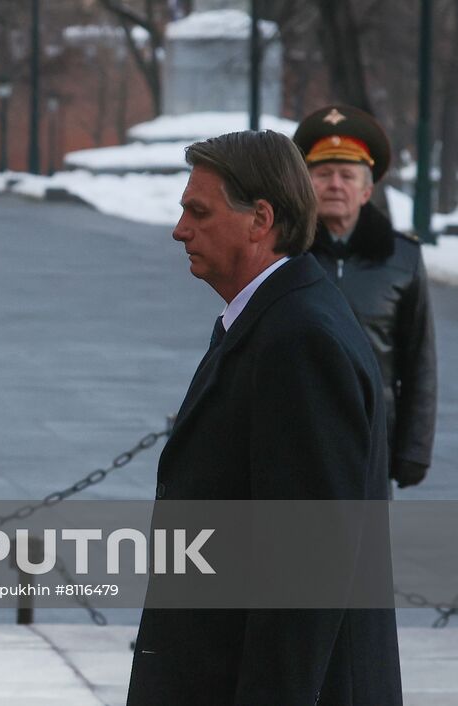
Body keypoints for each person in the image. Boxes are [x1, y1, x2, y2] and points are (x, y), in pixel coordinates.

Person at [126, 130, 400, 704]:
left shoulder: (299, 339)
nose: (180, 230)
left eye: (198, 212)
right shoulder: (268, 320)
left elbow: (306, 568)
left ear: (261, 220)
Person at [293, 105, 437, 489]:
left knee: (364, 548)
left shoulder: (402, 258)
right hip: (293, 437)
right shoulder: (285, 253)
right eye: (323, 174)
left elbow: (419, 362)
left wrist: (414, 450)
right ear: (306, 185)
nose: (335, 185)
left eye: (347, 175)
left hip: (371, 439)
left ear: (366, 191)